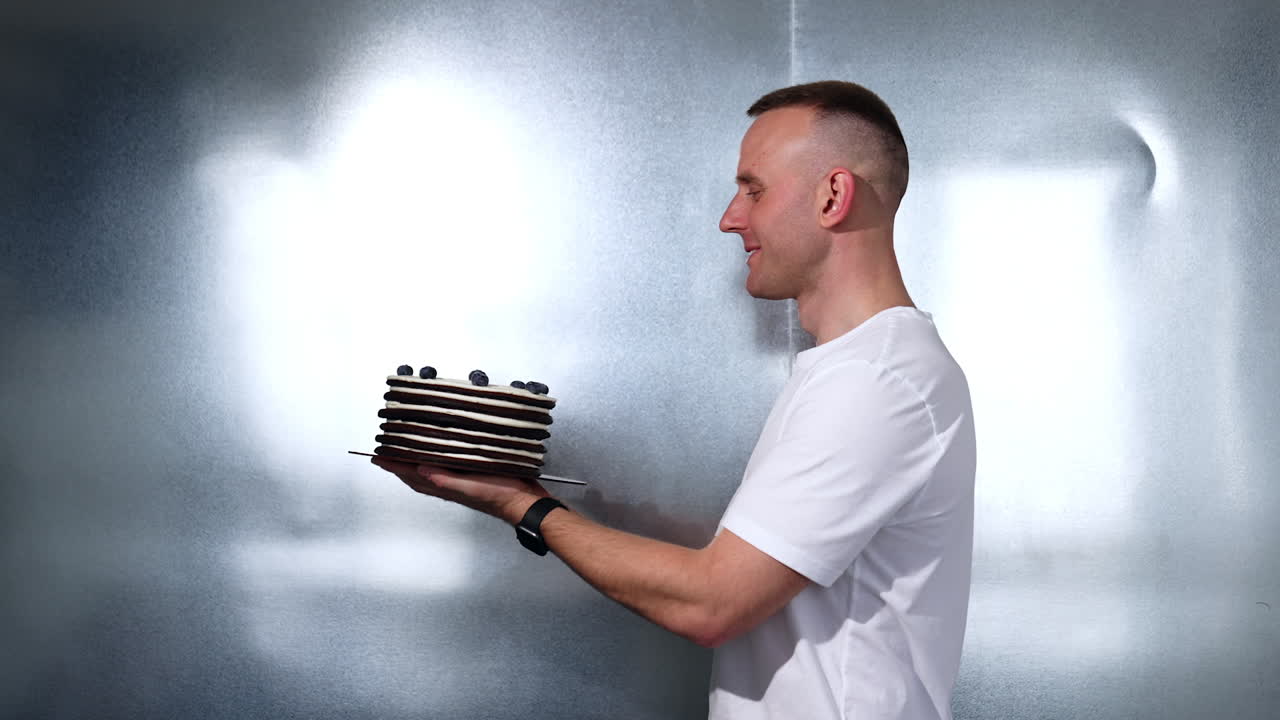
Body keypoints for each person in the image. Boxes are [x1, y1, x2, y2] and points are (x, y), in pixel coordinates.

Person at [373, 80, 976, 720]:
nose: (729, 217)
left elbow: (712, 603)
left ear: (833, 196)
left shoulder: (876, 382)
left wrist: (523, 505)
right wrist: (602, 515)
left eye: (754, 189)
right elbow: (778, 567)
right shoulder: (860, 370)